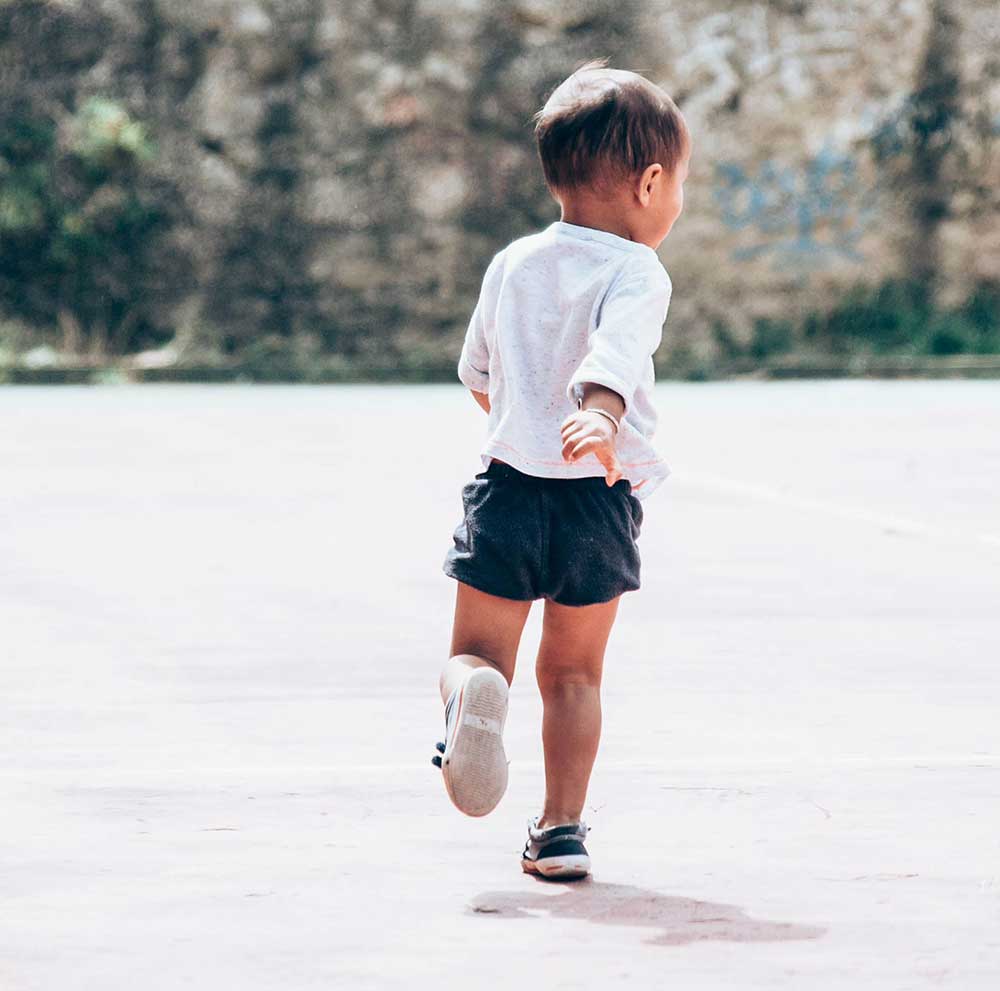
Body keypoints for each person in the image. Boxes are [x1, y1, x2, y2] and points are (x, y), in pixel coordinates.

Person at [432, 56, 691, 880]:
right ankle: (561, 829)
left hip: (509, 488)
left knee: (477, 652)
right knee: (574, 672)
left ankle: (472, 696)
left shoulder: (513, 262)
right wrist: (601, 415)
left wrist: (529, 425)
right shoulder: (637, 268)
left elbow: (477, 373)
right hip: (596, 501)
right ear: (651, 183)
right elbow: (619, 353)